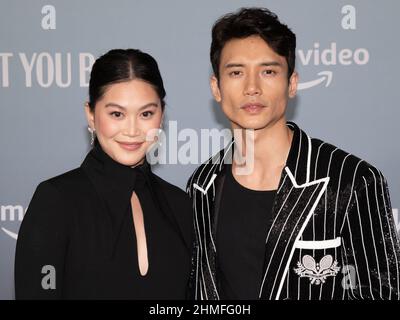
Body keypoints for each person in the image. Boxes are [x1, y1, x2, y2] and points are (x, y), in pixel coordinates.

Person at [186, 7, 400, 300]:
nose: (252, 88)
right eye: (236, 72)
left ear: (292, 83)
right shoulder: (202, 184)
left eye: (268, 71)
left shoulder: (353, 181)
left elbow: (383, 292)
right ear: (216, 87)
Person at [15, 49, 193, 299]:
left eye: (146, 114)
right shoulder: (57, 201)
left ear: (161, 116)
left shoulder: (180, 205)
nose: (132, 130)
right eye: (117, 114)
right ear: (91, 114)